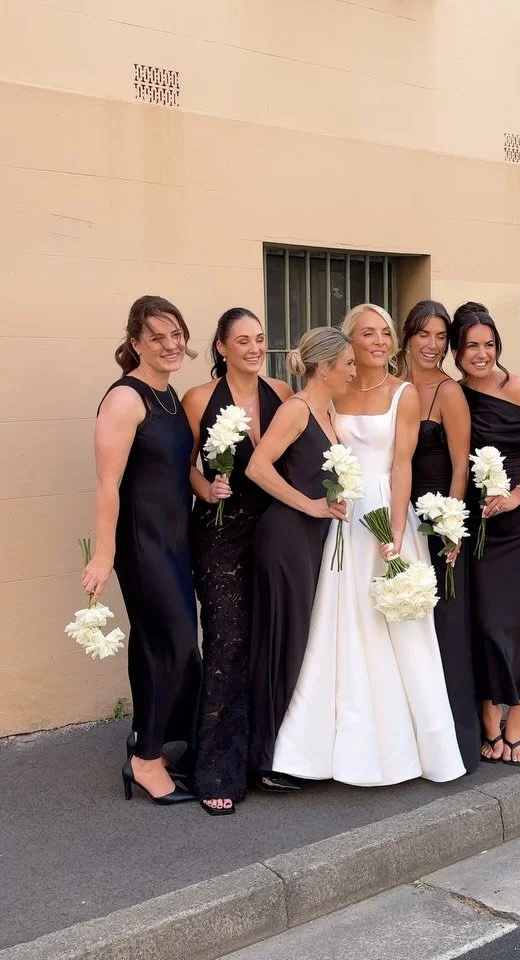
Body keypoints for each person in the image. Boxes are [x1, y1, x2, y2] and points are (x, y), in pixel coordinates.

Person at [272, 304, 466, 787]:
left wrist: (397, 529)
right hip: (341, 516)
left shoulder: (404, 394)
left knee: (398, 626)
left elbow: (403, 465)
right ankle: (325, 747)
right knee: (340, 622)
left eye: (385, 333)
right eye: (368, 333)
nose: (379, 341)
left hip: (386, 512)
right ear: (348, 342)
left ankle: (417, 747)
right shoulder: (331, 392)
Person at [82, 296, 201, 805]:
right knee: (172, 641)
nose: (172, 345)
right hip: (141, 541)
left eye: (177, 334)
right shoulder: (126, 398)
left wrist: (207, 487)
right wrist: (103, 555)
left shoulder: (170, 396)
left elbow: (175, 471)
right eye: (158, 337)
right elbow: (108, 485)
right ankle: (146, 762)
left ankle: (146, 739)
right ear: (136, 343)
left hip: (176, 538)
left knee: (161, 642)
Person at [182, 308, 292, 816]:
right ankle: (215, 768)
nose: (254, 348)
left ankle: (263, 757)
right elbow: (188, 469)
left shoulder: (282, 394)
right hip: (220, 534)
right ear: (221, 347)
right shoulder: (198, 399)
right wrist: (209, 488)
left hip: (272, 531)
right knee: (227, 639)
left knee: (268, 639)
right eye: (242, 340)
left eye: (260, 339)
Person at [450, 302, 520, 767]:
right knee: (485, 621)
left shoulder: (513, 387)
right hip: (482, 526)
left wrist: (518, 495)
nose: (481, 354)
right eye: (472, 346)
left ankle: (516, 718)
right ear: (456, 351)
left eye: (489, 344)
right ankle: (486, 712)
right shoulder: (453, 396)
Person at [246, 327, 355, 792]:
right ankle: (264, 760)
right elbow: (257, 467)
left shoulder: (327, 410)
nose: (354, 370)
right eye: (347, 362)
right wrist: (309, 505)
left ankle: (291, 750)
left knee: (303, 641)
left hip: (315, 541)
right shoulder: (296, 409)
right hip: (287, 538)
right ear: (324, 367)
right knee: (282, 642)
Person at [402, 300, 481, 773]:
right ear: (409, 335)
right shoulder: (390, 384)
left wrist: (451, 526)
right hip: (393, 520)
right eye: (423, 335)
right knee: (406, 628)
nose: (431, 345)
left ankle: (457, 742)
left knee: (445, 626)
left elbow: (460, 463)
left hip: (436, 522)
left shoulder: (449, 392)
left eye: (439, 336)